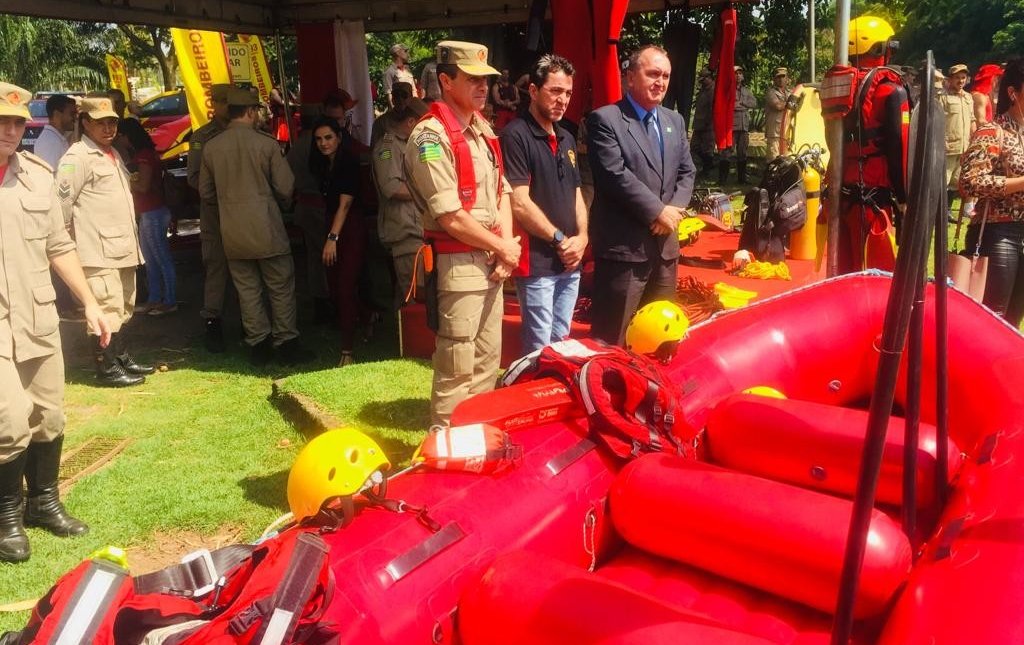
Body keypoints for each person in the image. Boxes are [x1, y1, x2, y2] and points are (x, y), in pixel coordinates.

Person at [0, 83, 112, 564]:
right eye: (1, 123)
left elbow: (58, 246)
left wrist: (89, 301)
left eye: (16, 123)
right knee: (8, 421)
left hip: (38, 313)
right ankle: (7, 516)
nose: (9, 131)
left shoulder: (37, 176)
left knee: (50, 414)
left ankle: (44, 503)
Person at [404, 40, 520, 426]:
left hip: (489, 261)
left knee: (488, 364)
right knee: (456, 369)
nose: (483, 87)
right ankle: (444, 452)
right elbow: (450, 215)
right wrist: (503, 246)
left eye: (485, 80)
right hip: (458, 266)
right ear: (445, 81)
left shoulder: (482, 129)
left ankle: (474, 442)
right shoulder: (430, 137)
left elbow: (502, 190)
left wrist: (504, 247)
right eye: (472, 79)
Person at [586, 44, 697, 346]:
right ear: (630, 77)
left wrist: (671, 211)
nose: (660, 82)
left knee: (659, 339)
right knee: (614, 340)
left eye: (665, 76)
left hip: (664, 249)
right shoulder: (605, 120)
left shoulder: (675, 121)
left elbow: (687, 172)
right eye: (652, 74)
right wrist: (657, 212)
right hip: (625, 252)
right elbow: (614, 175)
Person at [199, 87, 310, 366]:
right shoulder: (267, 144)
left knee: (247, 290)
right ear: (250, 112)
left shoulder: (212, 147)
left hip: (232, 232)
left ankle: (258, 344)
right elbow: (286, 186)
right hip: (267, 227)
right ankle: (286, 342)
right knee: (280, 286)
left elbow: (206, 192)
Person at [58, 95, 152, 387]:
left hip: (122, 245)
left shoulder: (113, 153)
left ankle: (121, 357)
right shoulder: (76, 158)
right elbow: (62, 203)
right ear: (85, 123)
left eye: (112, 122)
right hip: (97, 250)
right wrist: (66, 244)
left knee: (123, 305)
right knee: (104, 308)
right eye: (101, 123)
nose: (108, 128)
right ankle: (107, 367)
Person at [501, 54, 588, 354]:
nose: (562, 100)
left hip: (570, 260)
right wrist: (561, 240)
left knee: (561, 341)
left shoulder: (566, 137)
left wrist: (582, 238)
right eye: (555, 91)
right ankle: (534, 396)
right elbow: (519, 202)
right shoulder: (515, 135)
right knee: (539, 348)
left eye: (567, 93)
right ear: (534, 91)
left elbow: (576, 192)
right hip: (537, 262)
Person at [830, 15, 910, 274]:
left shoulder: (837, 86)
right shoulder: (890, 91)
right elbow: (901, 149)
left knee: (845, 271)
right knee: (877, 276)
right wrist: (904, 198)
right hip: (875, 201)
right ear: (877, 48)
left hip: (841, 197)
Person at [959, 58, 1024, 327]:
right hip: (999, 233)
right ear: (1013, 93)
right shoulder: (992, 131)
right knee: (991, 321)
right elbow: (970, 182)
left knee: (1013, 322)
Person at [311, 117, 365, 367]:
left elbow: (346, 204)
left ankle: (347, 350)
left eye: (328, 137)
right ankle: (367, 316)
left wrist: (333, 238)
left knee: (344, 285)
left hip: (349, 226)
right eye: (319, 139)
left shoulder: (348, 162)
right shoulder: (323, 164)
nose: (323, 143)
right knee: (335, 283)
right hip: (333, 223)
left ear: (339, 137)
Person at [187, 83, 233, 352]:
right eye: (222, 101)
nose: (226, 106)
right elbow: (193, 178)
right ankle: (213, 322)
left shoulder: (248, 131)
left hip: (242, 213)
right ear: (213, 104)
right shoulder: (201, 137)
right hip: (215, 213)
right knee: (216, 266)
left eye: (230, 100)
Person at [372, 99, 429, 311]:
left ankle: (406, 337)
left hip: (418, 228)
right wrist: (427, 193)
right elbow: (391, 187)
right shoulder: (387, 147)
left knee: (414, 290)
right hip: (405, 231)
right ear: (411, 122)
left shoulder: (413, 143)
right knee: (413, 294)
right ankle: (411, 340)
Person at [118, 119, 177, 316]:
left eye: (122, 136)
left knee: (161, 259)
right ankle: (155, 299)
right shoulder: (145, 154)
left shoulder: (144, 156)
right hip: (150, 212)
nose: (121, 140)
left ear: (128, 136)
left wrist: (123, 180)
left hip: (153, 212)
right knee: (150, 260)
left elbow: (143, 186)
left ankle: (169, 300)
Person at [287, 103, 332, 324]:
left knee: (314, 258)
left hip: (304, 205)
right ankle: (330, 302)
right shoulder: (319, 145)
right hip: (320, 206)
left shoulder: (295, 147)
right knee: (329, 256)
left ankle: (320, 304)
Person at [942, 64, 976, 221]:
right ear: (950, 79)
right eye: (957, 78)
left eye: (963, 78)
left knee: (956, 183)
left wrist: (975, 141)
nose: (961, 81)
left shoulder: (969, 98)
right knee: (942, 182)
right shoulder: (943, 97)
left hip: (964, 147)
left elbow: (972, 120)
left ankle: (947, 212)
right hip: (948, 147)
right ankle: (938, 214)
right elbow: (938, 121)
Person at [722, 65, 757, 184]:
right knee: (727, 152)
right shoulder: (727, 90)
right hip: (731, 126)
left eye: (740, 73)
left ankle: (741, 179)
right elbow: (729, 105)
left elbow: (754, 103)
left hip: (744, 126)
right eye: (736, 73)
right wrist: (739, 105)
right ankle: (722, 179)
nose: (738, 75)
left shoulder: (746, 90)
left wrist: (742, 103)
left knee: (742, 152)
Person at [33, 94, 76, 169]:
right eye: (72, 114)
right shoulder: (50, 143)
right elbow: (51, 174)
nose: (75, 118)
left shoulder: (56, 138)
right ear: (57, 114)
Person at [370, 81, 413, 148]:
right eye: (396, 95)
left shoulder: (417, 120)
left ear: (411, 98)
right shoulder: (382, 122)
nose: (400, 99)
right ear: (392, 99)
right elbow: (375, 149)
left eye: (404, 95)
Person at [690, 68, 716, 178]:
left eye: (704, 79)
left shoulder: (713, 91)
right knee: (694, 147)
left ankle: (707, 171)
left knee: (707, 150)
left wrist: (708, 122)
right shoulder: (703, 90)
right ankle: (708, 165)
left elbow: (712, 109)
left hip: (708, 125)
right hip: (699, 124)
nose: (702, 82)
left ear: (709, 78)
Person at [763, 67, 791, 161]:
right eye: (778, 77)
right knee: (773, 160)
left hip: (787, 132)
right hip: (774, 133)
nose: (781, 79)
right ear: (774, 79)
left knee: (787, 161)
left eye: (783, 76)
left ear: (787, 78)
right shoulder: (771, 92)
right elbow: (778, 106)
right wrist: (791, 103)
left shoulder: (790, 93)